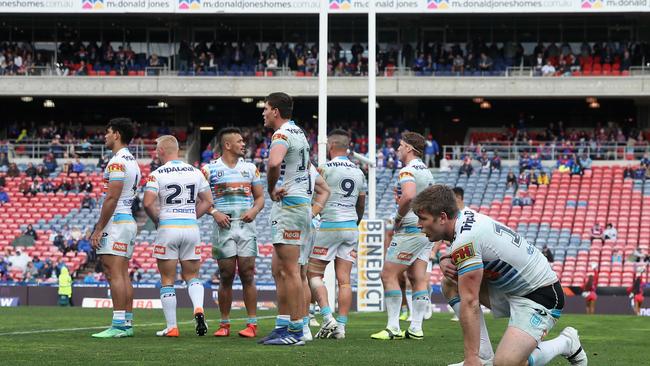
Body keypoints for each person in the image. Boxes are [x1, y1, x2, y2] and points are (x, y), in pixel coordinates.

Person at [412, 185, 587, 366]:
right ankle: (483, 357)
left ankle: (566, 342)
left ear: (442, 217)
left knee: (506, 363)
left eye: (422, 219)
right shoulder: (464, 217)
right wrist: (444, 259)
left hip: (540, 296)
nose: (418, 224)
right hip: (513, 289)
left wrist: (470, 359)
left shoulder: (466, 239)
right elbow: (469, 244)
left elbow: (470, 301)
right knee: (450, 283)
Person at [143, 135, 213, 338]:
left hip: (168, 228)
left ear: (163, 151)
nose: (156, 152)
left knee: (167, 279)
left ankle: (172, 327)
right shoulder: (195, 172)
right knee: (192, 276)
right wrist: (192, 216)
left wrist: (157, 220)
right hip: (191, 228)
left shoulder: (157, 174)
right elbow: (208, 201)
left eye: (157, 149)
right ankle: (198, 308)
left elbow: (148, 203)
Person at [259, 92, 312, 346]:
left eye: (266, 108)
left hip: (290, 206)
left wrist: (271, 189)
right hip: (299, 204)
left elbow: (273, 163)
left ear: (276, 112)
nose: (264, 113)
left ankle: (296, 331)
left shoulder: (281, 134)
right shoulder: (299, 132)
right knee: (280, 270)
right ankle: (285, 326)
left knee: (291, 271)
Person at [201, 128, 265, 338]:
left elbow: (260, 198)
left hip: (246, 227)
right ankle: (224, 324)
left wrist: (254, 211)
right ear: (227, 145)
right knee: (226, 275)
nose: (243, 144)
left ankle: (252, 324)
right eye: (239, 141)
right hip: (223, 229)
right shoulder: (209, 170)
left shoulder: (250, 169)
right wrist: (214, 212)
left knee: (248, 273)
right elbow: (200, 200)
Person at [371, 131, 434, 341]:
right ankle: (416, 328)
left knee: (388, 275)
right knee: (418, 278)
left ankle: (393, 327)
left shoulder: (407, 171)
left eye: (400, 145)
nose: (397, 149)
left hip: (410, 229)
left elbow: (408, 195)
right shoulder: (427, 172)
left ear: (408, 148)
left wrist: (397, 217)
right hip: (426, 230)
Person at [308, 129, 365, 340]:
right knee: (345, 280)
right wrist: (355, 221)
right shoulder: (358, 171)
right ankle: (341, 327)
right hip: (351, 226)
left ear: (331, 146)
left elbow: (315, 196)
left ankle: (326, 316)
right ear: (347, 147)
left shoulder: (324, 169)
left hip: (330, 224)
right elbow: (361, 201)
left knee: (313, 274)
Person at [90, 118, 141, 338]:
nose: (105, 135)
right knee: (122, 274)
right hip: (127, 219)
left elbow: (112, 197)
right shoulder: (132, 160)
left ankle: (119, 324)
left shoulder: (117, 162)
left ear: (117, 134)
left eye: (107, 132)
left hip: (117, 221)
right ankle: (126, 323)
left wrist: (99, 228)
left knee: (114, 273)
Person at [299, 163, 330, 341]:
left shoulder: (306, 184)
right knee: (309, 275)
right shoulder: (312, 183)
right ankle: (309, 316)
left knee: (306, 274)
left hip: (309, 223)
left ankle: (307, 317)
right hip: (313, 223)